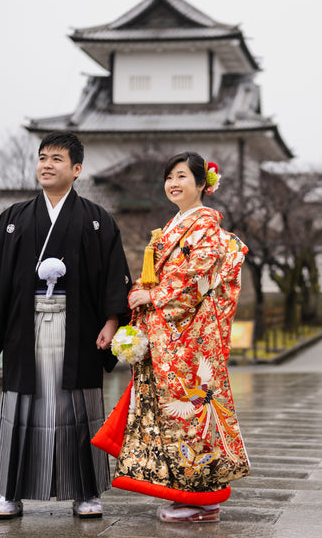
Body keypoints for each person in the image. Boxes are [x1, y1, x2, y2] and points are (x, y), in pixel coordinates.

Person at [0, 131, 132, 520]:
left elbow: (112, 275)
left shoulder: (98, 221)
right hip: (23, 326)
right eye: (42, 157)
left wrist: (113, 320)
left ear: (77, 169)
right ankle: (11, 493)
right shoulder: (14, 219)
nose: (46, 165)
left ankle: (85, 492)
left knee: (79, 406)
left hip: (79, 327)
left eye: (57, 159)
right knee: (22, 405)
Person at [92, 151, 250, 524]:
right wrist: (141, 295)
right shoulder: (174, 225)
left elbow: (199, 276)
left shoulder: (206, 226)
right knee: (173, 414)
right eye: (169, 178)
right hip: (169, 334)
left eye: (182, 177)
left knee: (189, 412)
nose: (173, 184)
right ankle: (191, 492)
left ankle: (198, 495)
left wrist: (155, 295)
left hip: (190, 338)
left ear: (202, 184)